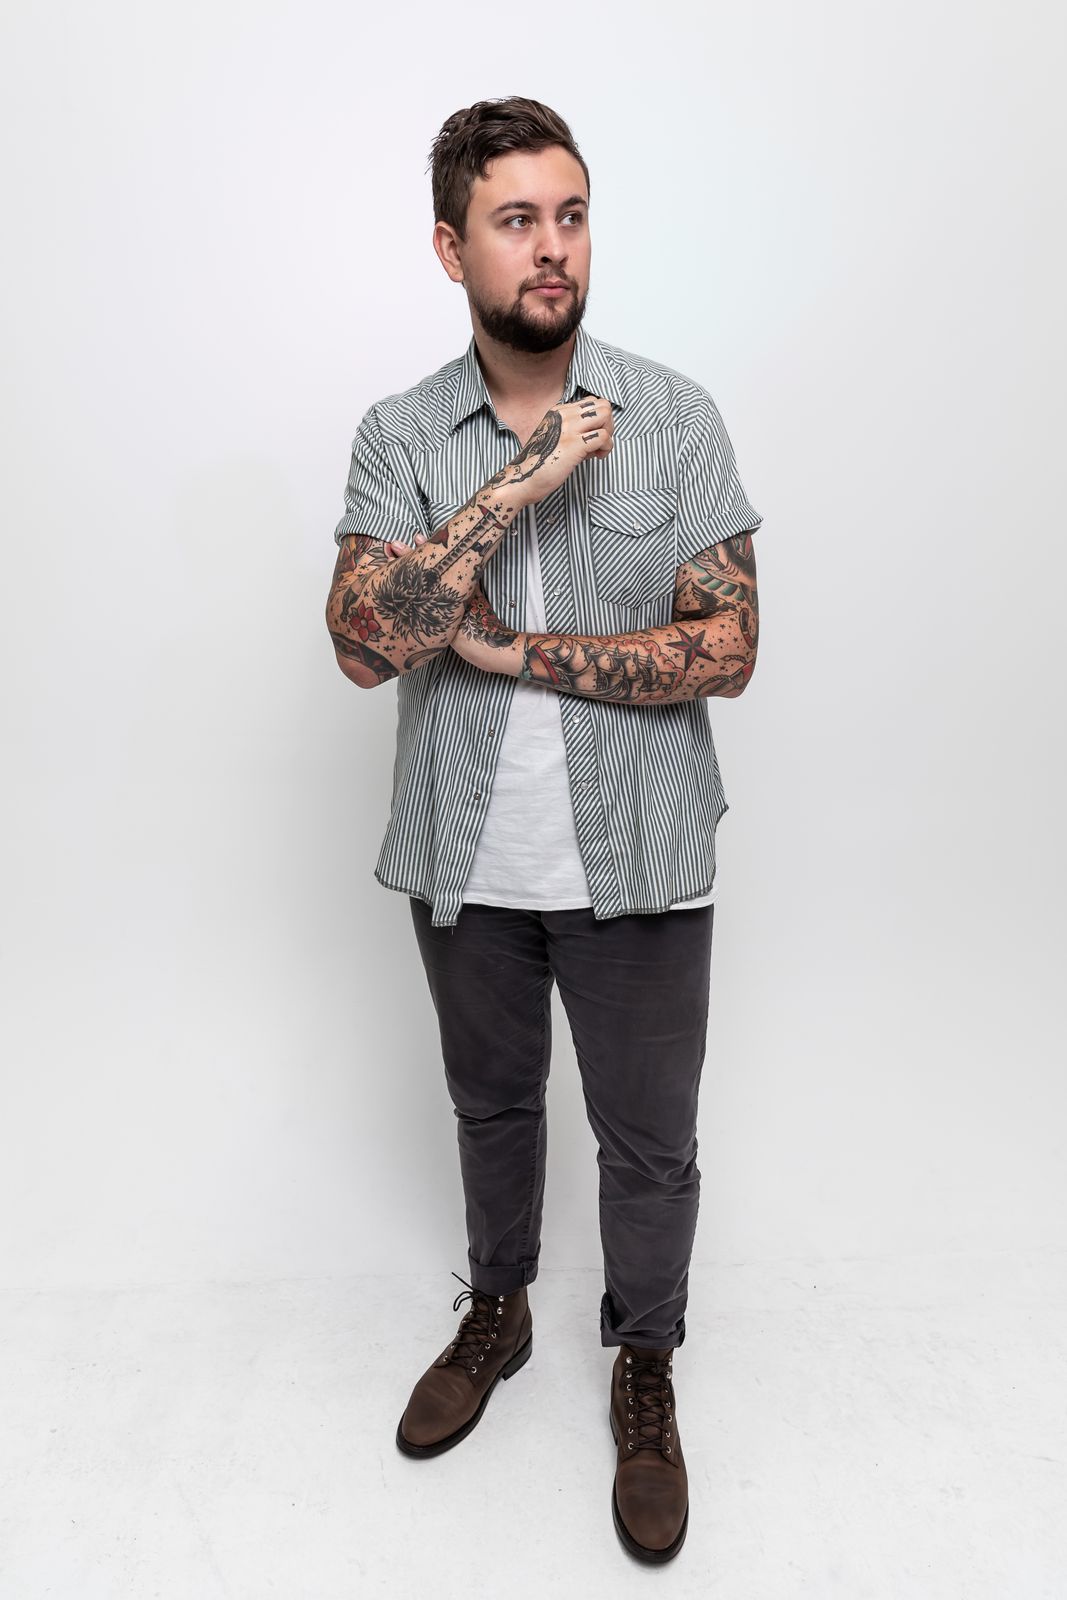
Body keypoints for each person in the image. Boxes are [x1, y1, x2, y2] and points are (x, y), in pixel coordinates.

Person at [324, 95, 761, 1565]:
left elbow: (729, 647)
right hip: (463, 860)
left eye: (571, 214)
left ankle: (646, 1365)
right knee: (492, 1109)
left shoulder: (677, 416)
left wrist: (522, 654)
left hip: (642, 856)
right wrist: (529, 477)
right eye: (517, 220)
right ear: (454, 250)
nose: (553, 246)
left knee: (650, 1145)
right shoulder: (402, 435)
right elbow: (367, 643)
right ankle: (498, 1312)